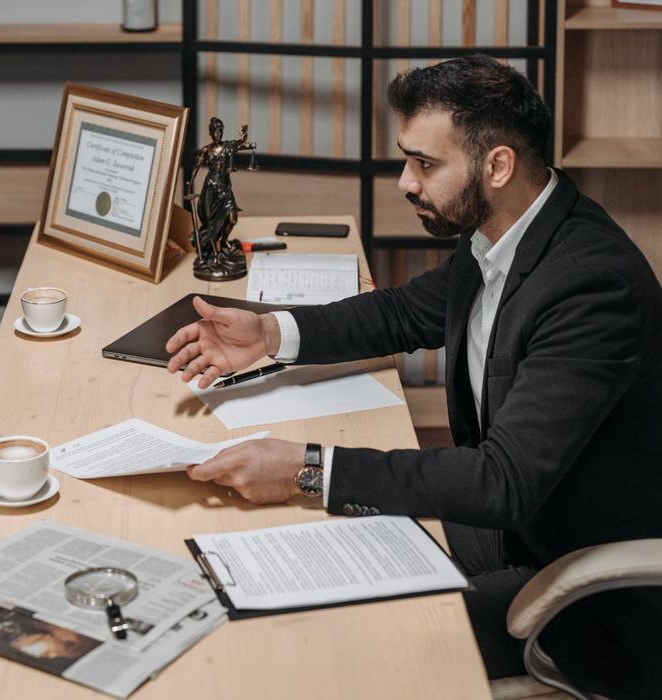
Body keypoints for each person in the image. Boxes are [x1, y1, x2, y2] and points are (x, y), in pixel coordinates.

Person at [166, 55, 662, 697]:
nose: (405, 181)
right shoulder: (508, 232)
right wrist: (270, 334)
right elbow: (404, 312)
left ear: (498, 165)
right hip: (523, 524)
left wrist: (304, 466)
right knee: (301, 556)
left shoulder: (592, 285)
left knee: (338, 651)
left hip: (590, 596)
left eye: (425, 164)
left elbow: (501, 480)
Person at [186, 116, 256, 279]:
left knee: (232, 219)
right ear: (211, 133)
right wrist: (189, 187)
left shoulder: (228, 147)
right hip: (211, 189)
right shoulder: (206, 150)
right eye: (216, 131)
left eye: (220, 130)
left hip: (225, 188)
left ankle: (224, 241)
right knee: (212, 223)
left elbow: (243, 144)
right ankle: (215, 253)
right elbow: (195, 169)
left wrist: (244, 135)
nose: (218, 133)